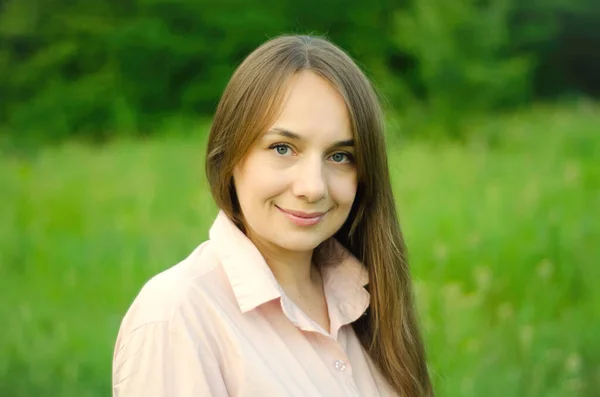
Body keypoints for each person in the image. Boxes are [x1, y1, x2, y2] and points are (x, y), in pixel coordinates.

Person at [112, 35, 433, 397]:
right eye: (283, 148)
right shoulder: (178, 316)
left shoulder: (371, 302)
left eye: (340, 156)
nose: (313, 188)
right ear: (231, 156)